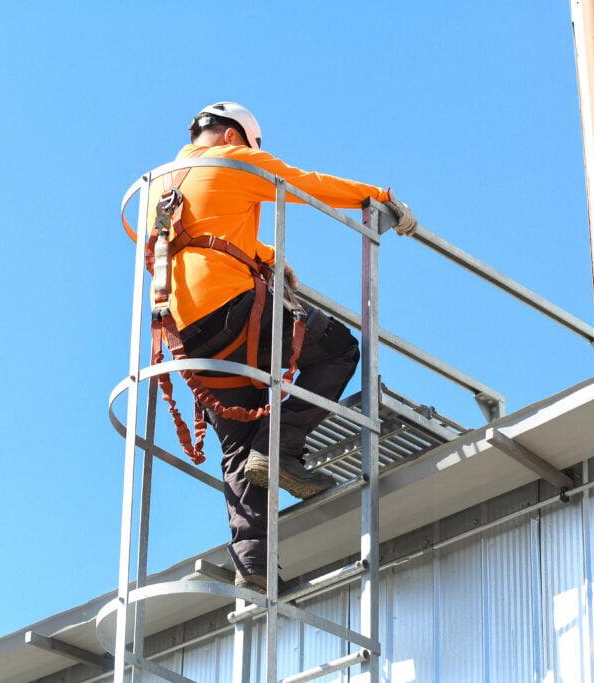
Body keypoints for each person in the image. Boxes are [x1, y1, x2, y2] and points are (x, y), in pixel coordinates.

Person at [156, 101, 417, 592]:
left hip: (182, 333)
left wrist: (267, 254)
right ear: (233, 136)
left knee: (237, 443)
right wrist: (377, 197)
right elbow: (305, 183)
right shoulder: (234, 160)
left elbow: (196, 237)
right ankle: (280, 446)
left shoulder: (161, 185)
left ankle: (253, 564)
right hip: (233, 309)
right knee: (338, 349)